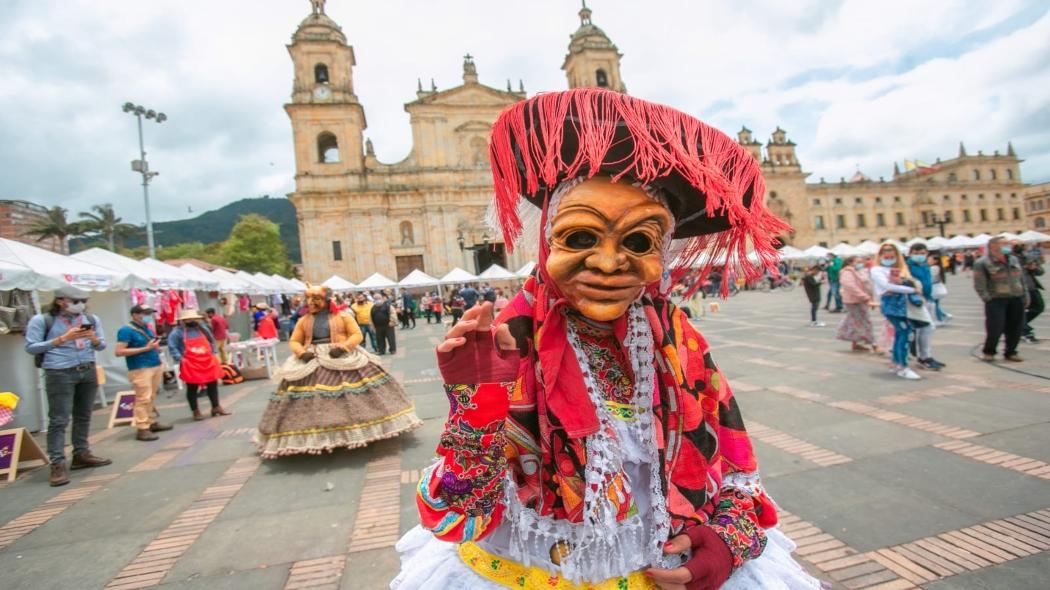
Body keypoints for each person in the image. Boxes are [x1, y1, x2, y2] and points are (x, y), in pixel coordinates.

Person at [393, 88, 820, 590]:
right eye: (581, 237)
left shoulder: (679, 342)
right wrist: (476, 406)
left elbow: (734, 465)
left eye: (640, 241)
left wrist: (729, 539)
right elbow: (458, 516)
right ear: (545, 238)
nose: (608, 263)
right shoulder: (509, 341)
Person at [255, 286, 421, 457]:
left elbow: (357, 335)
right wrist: (302, 353)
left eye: (315, 300)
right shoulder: (304, 320)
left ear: (326, 301)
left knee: (357, 391)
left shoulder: (343, 316)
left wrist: (343, 347)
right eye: (309, 301)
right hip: (311, 357)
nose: (311, 304)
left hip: (342, 356)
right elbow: (295, 340)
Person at [24, 286, 112, 486]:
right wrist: (62, 339)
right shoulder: (42, 320)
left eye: (83, 300)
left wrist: (94, 339)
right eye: (75, 300)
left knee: (84, 415)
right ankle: (57, 463)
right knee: (59, 419)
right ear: (60, 301)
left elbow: (102, 345)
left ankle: (81, 453)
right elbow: (31, 347)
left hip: (87, 368)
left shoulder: (91, 319)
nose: (80, 304)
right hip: (59, 371)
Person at [116, 305, 173, 441]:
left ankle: (150, 421)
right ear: (135, 315)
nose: (148, 316)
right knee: (143, 398)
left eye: (150, 313)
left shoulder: (146, 328)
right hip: (140, 367)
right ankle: (142, 427)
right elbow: (119, 351)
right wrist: (145, 348)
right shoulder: (126, 330)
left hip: (154, 364)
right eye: (145, 313)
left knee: (151, 396)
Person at [871, 243, 922, 380]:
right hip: (891, 305)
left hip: (902, 304)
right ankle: (902, 366)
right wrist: (912, 290)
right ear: (880, 256)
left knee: (901, 333)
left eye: (892, 256)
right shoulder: (877, 270)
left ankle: (896, 363)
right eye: (886, 256)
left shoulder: (899, 268)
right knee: (904, 333)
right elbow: (886, 286)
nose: (889, 258)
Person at [974, 237, 1028, 362]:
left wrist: (1025, 295)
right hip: (996, 299)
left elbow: (1021, 279)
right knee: (995, 327)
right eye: (1004, 243)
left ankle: (1011, 352)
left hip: (1016, 297)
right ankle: (989, 352)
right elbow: (979, 285)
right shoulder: (982, 262)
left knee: (1016, 327)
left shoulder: (1013, 259)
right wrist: (987, 299)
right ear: (993, 246)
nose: (1008, 245)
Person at [168, 309, 229, 420]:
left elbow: (211, 341)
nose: (192, 320)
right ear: (183, 321)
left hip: (207, 360)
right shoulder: (177, 333)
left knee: (212, 384)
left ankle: (216, 407)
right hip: (190, 363)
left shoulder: (202, 328)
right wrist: (181, 359)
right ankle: (195, 411)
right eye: (189, 319)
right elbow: (172, 347)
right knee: (192, 387)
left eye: (194, 318)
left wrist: (213, 353)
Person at [905, 244, 945, 370]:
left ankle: (924, 356)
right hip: (916, 300)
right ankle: (923, 357)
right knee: (926, 327)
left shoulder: (925, 265)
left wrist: (930, 297)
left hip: (927, 298)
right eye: (916, 253)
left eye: (922, 253)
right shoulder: (907, 266)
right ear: (910, 253)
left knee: (926, 328)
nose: (919, 256)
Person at [836, 257, 877, 351]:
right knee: (865, 322)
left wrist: (870, 297)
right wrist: (865, 297)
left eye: (861, 261)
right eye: (858, 262)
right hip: (853, 300)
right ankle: (873, 343)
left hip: (859, 300)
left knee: (854, 322)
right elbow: (851, 286)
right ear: (850, 263)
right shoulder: (847, 272)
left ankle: (856, 343)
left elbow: (867, 285)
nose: (861, 263)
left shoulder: (858, 271)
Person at [1019, 245, 1044, 342]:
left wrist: (1033, 268)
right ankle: (1025, 332)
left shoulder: (1028, 256)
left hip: (1031, 287)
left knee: (1039, 307)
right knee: (1020, 311)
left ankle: (1017, 325)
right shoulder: (1008, 258)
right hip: (1018, 289)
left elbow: (1041, 271)